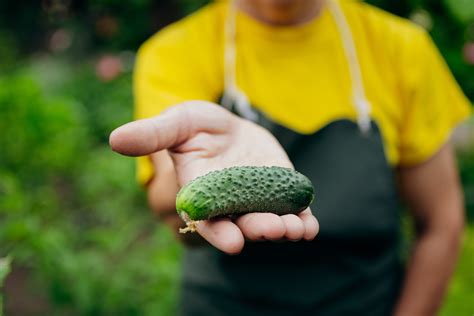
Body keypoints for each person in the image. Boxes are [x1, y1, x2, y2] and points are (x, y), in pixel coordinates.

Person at [109, 0, 472, 314]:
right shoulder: (177, 51)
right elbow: (175, 218)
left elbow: (441, 223)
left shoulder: (400, 47)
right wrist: (191, 168)